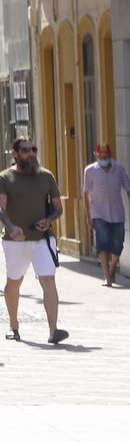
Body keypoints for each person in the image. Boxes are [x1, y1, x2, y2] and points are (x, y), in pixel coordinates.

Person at [1, 137, 68, 344]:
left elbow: (58, 208)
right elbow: (1, 208)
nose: (31, 154)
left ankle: (53, 330)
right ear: (15, 154)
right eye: (25, 150)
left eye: (33, 149)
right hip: (15, 241)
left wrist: (48, 220)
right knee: (14, 282)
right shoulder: (5, 178)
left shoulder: (46, 176)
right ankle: (13, 325)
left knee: (48, 280)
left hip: (42, 239)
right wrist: (11, 227)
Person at [82, 143, 130, 287]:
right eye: (101, 156)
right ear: (96, 155)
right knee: (103, 244)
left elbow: (129, 189)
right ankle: (107, 277)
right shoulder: (90, 170)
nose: (103, 158)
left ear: (110, 155)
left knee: (117, 245)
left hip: (117, 213)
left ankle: (112, 269)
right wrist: (88, 216)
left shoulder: (119, 169)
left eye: (106, 156)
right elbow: (86, 193)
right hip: (98, 213)